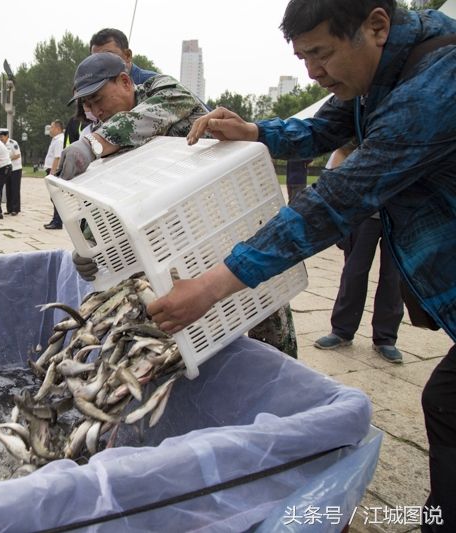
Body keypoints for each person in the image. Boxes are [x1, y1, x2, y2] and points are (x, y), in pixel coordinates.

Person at [152, 1, 456, 528]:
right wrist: (254, 131)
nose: (312, 72)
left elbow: (336, 201)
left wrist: (211, 286)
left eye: (320, 54)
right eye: (303, 56)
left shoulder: (437, 86)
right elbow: (323, 128)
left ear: (376, 26)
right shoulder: (383, 69)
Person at [63, 52, 298, 357]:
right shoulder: (108, 139)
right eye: (88, 105)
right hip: (187, 240)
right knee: (209, 330)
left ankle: (286, 392)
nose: (95, 111)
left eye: (98, 98)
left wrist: (93, 144)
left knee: (268, 311)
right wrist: (86, 246)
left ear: (124, 82)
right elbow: (109, 198)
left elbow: (143, 119)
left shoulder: (165, 92)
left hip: (234, 218)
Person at [314, 144, 405, 363]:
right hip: (364, 209)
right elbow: (343, 150)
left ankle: (385, 338)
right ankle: (342, 330)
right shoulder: (365, 116)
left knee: (394, 277)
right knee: (354, 271)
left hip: (401, 210)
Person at [89, 28, 157, 85]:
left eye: (108, 57)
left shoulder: (155, 83)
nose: (101, 65)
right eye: (95, 60)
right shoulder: (91, 88)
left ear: (127, 55)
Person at [43, 120, 65, 229]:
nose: (50, 129)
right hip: (51, 171)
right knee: (54, 198)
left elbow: (57, 157)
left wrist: (52, 172)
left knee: (56, 197)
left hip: (54, 172)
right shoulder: (55, 139)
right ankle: (55, 220)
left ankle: (57, 222)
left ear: (57, 128)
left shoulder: (60, 140)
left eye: (51, 127)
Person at [0, 128, 22, 215]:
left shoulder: (13, 143)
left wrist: (8, 159)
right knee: (8, 189)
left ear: (7, 136)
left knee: (15, 189)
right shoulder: (1, 145)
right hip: (8, 169)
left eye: (2, 137)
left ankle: (16, 209)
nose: (1, 138)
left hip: (16, 169)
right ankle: (9, 209)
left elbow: (17, 155)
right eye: (0, 137)